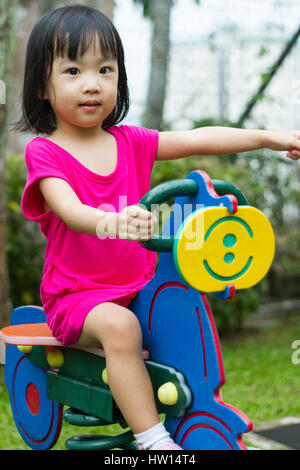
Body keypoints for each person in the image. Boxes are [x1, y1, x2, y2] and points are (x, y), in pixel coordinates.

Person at [16, 4, 299, 451]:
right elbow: (68, 209)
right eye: (73, 70)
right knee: (122, 328)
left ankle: (198, 412)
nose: (92, 83)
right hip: (79, 296)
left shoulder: (131, 142)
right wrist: (111, 221)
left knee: (184, 308)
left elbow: (198, 139)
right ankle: (154, 441)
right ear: (42, 87)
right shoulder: (46, 154)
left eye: (104, 69)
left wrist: (266, 138)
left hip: (139, 286)